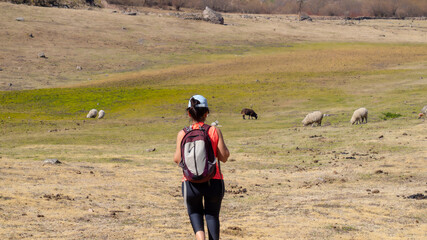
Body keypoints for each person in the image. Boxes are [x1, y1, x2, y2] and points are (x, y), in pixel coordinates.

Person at [173, 95, 230, 240]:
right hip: (214, 180)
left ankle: (200, 238)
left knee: (194, 213)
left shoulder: (183, 133)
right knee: (212, 215)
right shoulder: (213, 131)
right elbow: (223, 157)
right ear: (206, 113)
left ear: (189, 113)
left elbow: (177, 159)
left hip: (190, 183)